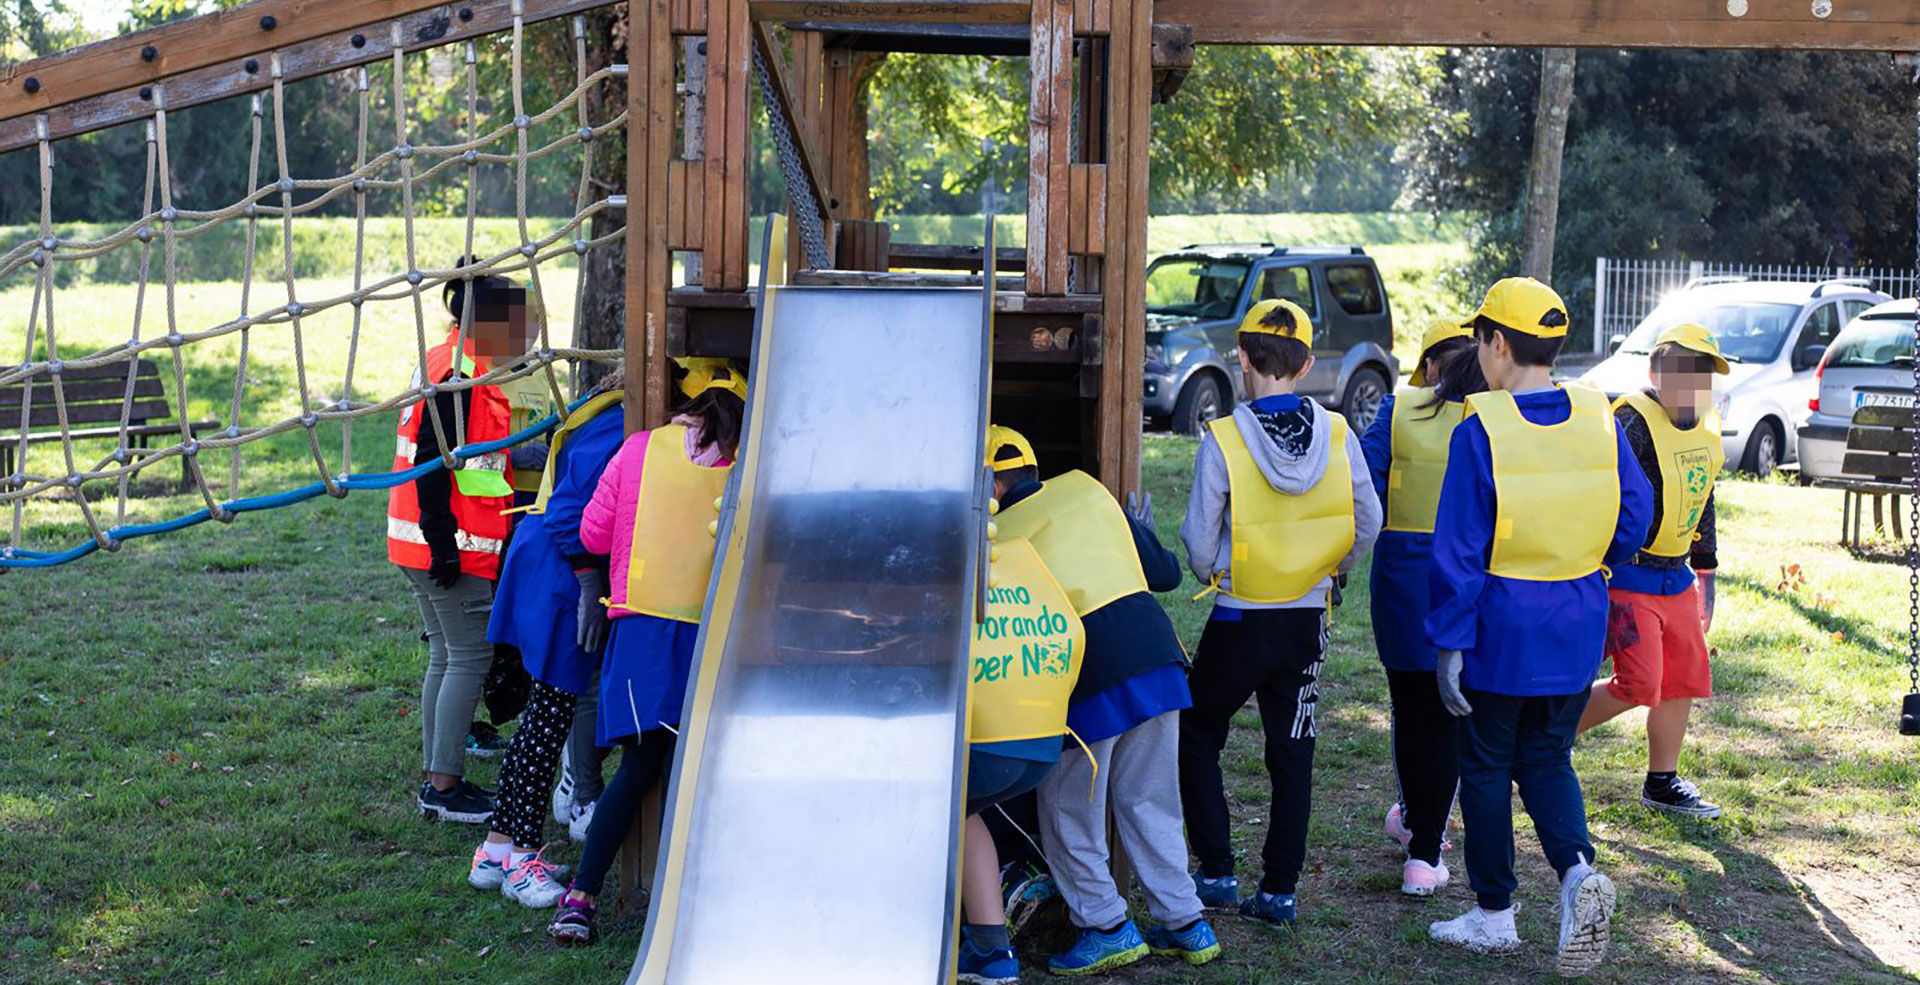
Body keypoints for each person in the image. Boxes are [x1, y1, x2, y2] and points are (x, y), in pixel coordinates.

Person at [1424, 277, 1653, 976]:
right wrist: (1589, 560)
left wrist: (1450, 642)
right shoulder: (1599, 415)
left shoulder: (1480, 429)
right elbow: (1637, 515)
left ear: (1497, 344)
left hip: (1499, 628)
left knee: (1487, 765)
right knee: (1549, 757)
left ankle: (1494, 913)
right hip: (1575, 622)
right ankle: (1578, 873)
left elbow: (1459, 552)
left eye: (1479, 340)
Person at [1178, 298, 1383, 930]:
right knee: (1293, 752)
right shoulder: (1341, 433)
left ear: (1242, 359)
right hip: (1304, 623)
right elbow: (1369, 522)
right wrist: (1331, 567)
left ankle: (1215, 871)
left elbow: (1197, 540)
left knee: (1196, 733)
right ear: (1305, 362)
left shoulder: (1225, 439)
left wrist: (1219, 572)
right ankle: (1279, 891)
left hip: (1240, 617)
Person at [991, 427, 1221, 976]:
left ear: (991, 482)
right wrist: (1134, 529)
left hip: (1087, 678)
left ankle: (1105, 927)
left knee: (1069, 809)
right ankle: (1185, 921)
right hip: (1159, 663)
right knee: (1152, 800)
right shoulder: (1088, 492)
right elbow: (1165, 574)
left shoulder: (998, 535)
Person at [548, 357, 743, 944]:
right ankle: (709, 901)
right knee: (712, 773)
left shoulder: (639, 449)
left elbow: (591, 535)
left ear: (686, 402)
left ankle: (581, 899)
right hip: (717, 635)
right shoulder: (747, 464)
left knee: (638, 769)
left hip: (645, 635)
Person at [464, 373, 628, 907]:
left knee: (538, 722)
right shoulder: (621, 424)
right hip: (559, 583)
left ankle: (496, 850)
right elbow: (566, 512)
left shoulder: (611, 413)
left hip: (546, 572)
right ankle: (523, 863)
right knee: (546, 726)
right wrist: (587, 582)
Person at [391, 272, 533, 823]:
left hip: (415, 542)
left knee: (446, 657)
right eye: (519, 325)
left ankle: (436, 776)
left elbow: (469, 451)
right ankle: (444, 786)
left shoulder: (447, 357)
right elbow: (433, 455)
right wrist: (443, 540)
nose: (526, 337)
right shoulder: (461, 371)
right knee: (468, 657)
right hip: (448, 544)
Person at [1575, 324, 1729, 818]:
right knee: (1639, 683)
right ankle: (1543, 741)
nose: (1692, 386)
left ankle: (1662, 782)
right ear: (1655, 373)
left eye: (1702, 375)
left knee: (1682, 678)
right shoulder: (1630, 422)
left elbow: (1704, 496)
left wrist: (1706, 570)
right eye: (1683, 374)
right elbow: (1604, 499)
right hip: (1628, 575)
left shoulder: (1707, 426)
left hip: (1677, 577)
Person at [1359, 318, 1485, 896]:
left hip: (1403, 579)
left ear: (1430, 366)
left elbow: (1364, 479)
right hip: (1469, 576)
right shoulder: (1496, 419)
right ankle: (1426, 851)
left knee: (1410, 711)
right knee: (1448, 719)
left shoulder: (1398, 408)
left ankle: (1416, 828)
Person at [955, 504, 1086, 985]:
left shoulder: (941, 569)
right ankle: (993, 953)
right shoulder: (1022, 562)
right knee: (961, 814)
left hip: (988, 743)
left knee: (921, 807)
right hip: (1041, 740)